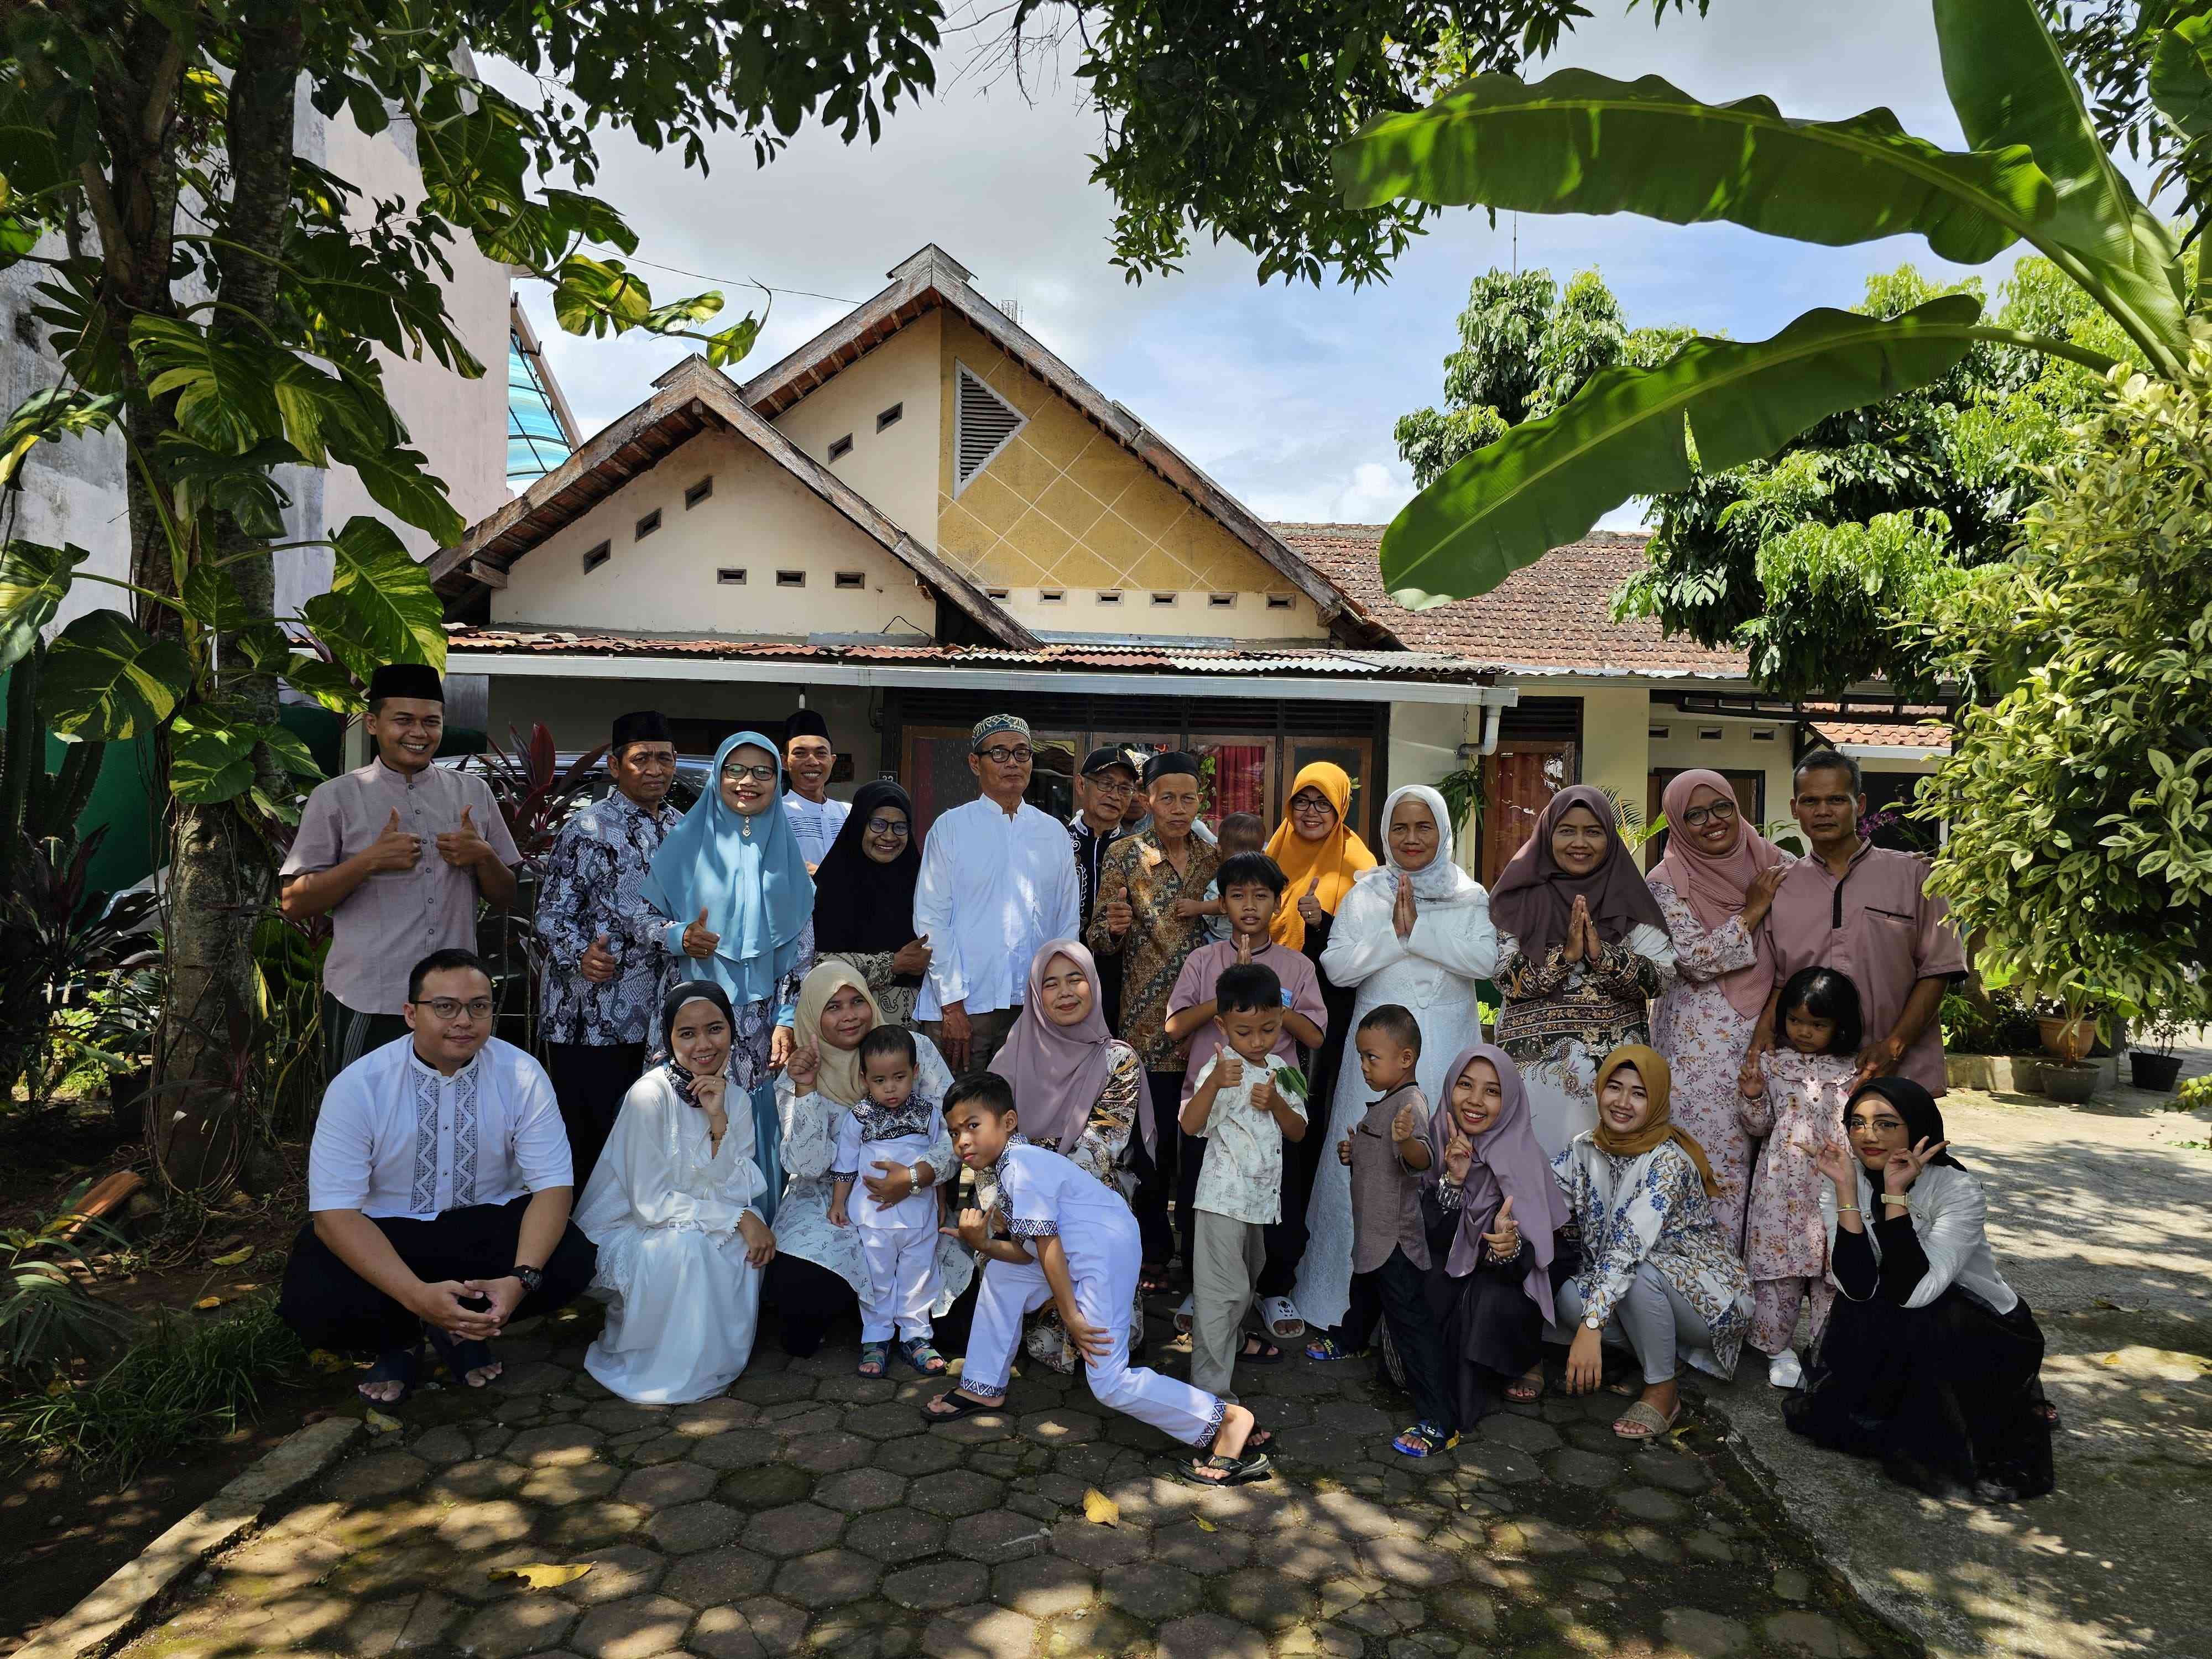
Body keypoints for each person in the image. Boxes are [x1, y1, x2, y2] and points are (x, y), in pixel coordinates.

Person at [922, 1074, 1272, 1486]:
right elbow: (1025, 1255)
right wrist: (980, 1242)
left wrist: (1071, 1316)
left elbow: (1049, 1248)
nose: (962, 1140)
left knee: (1109, 1382)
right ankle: (983, 1385)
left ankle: (1228, 1420)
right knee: (1003, 1274)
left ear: (1009, 1121)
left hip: (1103, 1255)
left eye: (973, 1125)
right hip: (1087, 1249)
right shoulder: (1012, 1169)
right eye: (954, 1131)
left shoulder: (1023, 1167)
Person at [278, 950, 594, 1404]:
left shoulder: (522, 1074)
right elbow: (334, 1215)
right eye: (445, 1007)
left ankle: (463, 1331)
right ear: (411, 1014)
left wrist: (520, 1281)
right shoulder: (358, 1086)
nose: (464, 1020)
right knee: (313, 1288)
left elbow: (553, 1187)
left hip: (485, 1227)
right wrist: (415, 1297)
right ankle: (400, 1338)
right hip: (390, 1235)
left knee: (570, 1257)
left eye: (479, 1006)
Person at [1787, 1078, 2054, 1500]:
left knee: (1921, 1312)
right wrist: (1844, 1191)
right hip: (1897, 1309)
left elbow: (1916, 1292)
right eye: (1856, 1123)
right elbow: (1855, 1287)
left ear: (1918, 1129)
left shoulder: (1958, 1190)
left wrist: (1895, 1194)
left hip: (1979, 1326)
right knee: (1863, 1307)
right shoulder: (1845, 1174)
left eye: (1886, 1124)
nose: (1868, 1135)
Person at [1295, 784, 1498, 1334]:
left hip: (1447, 1052)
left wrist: (1421, 931)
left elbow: (1486, 959)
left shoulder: (1469, 895)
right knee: (1364, 1170)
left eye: (1423, 827)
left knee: (1438, 1165)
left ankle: (1434, 1307)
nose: (1411, 839)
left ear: (1442, 833)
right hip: (1373, 1067)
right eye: (1400, 828)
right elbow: (1338, 969)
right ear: (1385, 833)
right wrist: (1396, 937)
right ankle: (1346, 1302)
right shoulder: (1366, 894)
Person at [280, 664, 520, 1074]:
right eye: (403, 720)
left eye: (431, 722)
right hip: (370, 996)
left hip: (454, 1004)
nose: (419, 733)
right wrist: (369, 861)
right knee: (364, 1123)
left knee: (454, 1116)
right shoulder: (336, 798)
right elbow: (293, 903)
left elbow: (506, 895)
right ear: (373, 724)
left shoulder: (472, 792)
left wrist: (483, 855)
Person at [572, 981, 777, 1403]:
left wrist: (718, 1121)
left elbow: (732, 1188)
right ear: (669, 1039)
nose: (704, 1044)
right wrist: (737, 1217)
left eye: (715, 1029)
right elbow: (649, 1205)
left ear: (732, 1032)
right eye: (687, 1033)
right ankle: (657, 1368)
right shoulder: (649, 1096)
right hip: (626, 1228)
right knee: (689, 1248)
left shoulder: (736, 1100)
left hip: (694, 1220)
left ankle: (711, 1364)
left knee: (735, 1248)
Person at [641, 731, 813, 1220]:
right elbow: (638, 919)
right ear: (717, 776)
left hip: (758, 1022)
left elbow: (802, 950)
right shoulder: (683, 840)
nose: (747, 782)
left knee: (749, 1119)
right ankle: (679, 1226)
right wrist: (678, 937)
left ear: (778, 781)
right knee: (684, 1107)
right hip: (689, 1013)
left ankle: (749, 1227)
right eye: (736, 769)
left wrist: (785, 1019)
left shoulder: (784, 849)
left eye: (763, 772)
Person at [771, 962, 972, 1361]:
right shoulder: (797, 1073)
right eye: (833, 1007)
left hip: (915, 1195)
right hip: (830, 1201)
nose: (849, 1016)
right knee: (798, 1308)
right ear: (812, 1012)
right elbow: (807, 1165)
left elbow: (955, 1131)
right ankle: (867, 1312)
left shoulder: (915, 1051)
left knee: (959, 1326)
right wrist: (807, 1089)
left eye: (857, 1001)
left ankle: (898, 1318)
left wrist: (918, 1177)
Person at [1164, 851, 1327, 1340]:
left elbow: (1316, 1036)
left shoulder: (1297, 966)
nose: (1249, 906)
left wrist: (1268, 996)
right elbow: (1174, 1027)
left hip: (1273, 1104)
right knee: (1203, 1195)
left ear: (1279, 904)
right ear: (1223, 903)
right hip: (1212, 1104)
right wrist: (1229, 995)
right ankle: (1204, 1286)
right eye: (1237, 896)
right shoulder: (1202, 960)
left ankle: (1274, 1288)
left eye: (1261, 896)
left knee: (1279, 1194)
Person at [1553, 1046, 1754, 1439]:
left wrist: (1592, 1328)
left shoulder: (1669, 1163)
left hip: (1706, 1300)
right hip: (1636, 1287)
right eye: (1615, 1087)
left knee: (1638, 1271)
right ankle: (1659, 1358)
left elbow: (1629, 1247)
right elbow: (1543, 1202)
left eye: (1639, 1093)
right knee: (1569, 1299)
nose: (1623, 1103)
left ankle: (1663, 1389)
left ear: (1658, 1101)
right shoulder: (1585, 1148)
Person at [1088, 752, 1222, 1286]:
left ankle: (1198, 1259)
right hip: (1146, 1029)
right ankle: (1150, 1250)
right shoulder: (1124, 855)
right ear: (1148, 799)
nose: (1177, 808)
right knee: (1149, 1147)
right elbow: (1098, 937)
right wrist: (1116, 927)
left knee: (1199, 1148)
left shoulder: (1215, 860)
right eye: (1167, 797)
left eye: (1188, 798)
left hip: (1208, 1029)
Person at [1761, 751, 1966, 1094]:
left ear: (1860, 804)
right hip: (1804, 1084)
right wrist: (1762, 1035)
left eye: (1837, 800)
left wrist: (1895, 1045)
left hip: (1898, 1075)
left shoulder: (1914, 876)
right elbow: (1780, 981)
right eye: (1811, 801)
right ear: (1795, 808)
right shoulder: (1780, 887)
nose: (1823, 811)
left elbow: (1938, 970)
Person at [536, 711, 685, 1179]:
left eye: (664, 758)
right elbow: (550, 913)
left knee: (647, 1138)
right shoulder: (586, 830)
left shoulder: (685, 830)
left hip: (662, 1017)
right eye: (642, 759)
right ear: (617, 767)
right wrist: (580, 955)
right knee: (589, 1140)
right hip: (590, 1016)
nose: (655, 769)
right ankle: (579, 1243)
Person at [1491, 785, 1676, 1160]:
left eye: (1593, 831)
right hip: (1533, 1077)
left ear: (1609, 837)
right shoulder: (1519, 895)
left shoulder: (1630, 897)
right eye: (1567, 831)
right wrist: (1565, 956)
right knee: (1531, 1179)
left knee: (1604, 1179)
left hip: (1612, 1084)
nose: (1580, 842)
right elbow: (1501, 975)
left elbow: (1663, 977)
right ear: (1548, 834)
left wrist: (1601, 955)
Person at [1646, 769, 1790, 1250]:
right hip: (1698, 1050)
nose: (1713, 821)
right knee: (1712, 1172)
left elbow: (1832, 897)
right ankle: (1712, 1297)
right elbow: (1695, 960)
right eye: (1695, 814)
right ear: (1677, 823)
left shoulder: (1777, 864)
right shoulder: (1666, 881)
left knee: (1772, 1169)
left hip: (1773, 1031)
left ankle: (1757, 1297)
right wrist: (1752, 910)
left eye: (1722, 807)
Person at [989, 940, 1146, 1372]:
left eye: (1075, 979)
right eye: (1051, 984)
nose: (1065, 993)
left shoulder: (1119, 1060)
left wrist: (1029, 1202)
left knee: (1105, 1341)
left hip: (1082, 1192)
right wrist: (999, 1200)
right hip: (1015, 1193)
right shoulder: (1010, 1058)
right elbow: (988, 1145)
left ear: (1093, 983)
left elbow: (1099, 1148)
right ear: (1037, 996)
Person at [1315, 1007, 1460, 1456]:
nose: (1364, 1066)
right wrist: (1354, 1149)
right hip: (1373, 1236)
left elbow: (1423, 1160)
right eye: (1361, 1057)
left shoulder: (1410, 1105)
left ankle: (1440, 1419)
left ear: (1406, 1058)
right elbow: (1376, 1153)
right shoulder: (1387, 1102)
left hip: (1396, 1240)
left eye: (1372, 1058)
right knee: (1365, 1290)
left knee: (1410, 1327)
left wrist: (1404, 1142)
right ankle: (1353, 1340)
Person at [1262, 763, 1377, 1319]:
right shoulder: (1274, 848)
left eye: (1321, 804)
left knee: (1305, 1119)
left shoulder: (1360, 864)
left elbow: (1365, 949)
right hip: (1265, 1010)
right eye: (1301, 801)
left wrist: (1323, 920)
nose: (1309, 813)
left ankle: (1295, 1252)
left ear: (1341, 809)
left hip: (1323, 1015)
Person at [913, 714, 1081, 1072]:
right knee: (956, 1118)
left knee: (1022, 1119)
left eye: (1022, 754)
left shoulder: (1053, 834)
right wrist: (951, 1005)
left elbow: (1066, 926)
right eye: (1000, 754)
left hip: (1031, 1010)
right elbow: (932, 922)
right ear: (976, 763)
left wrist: (1055, 1000)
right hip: (963, 1011)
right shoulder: (951, 829)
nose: (1013, 764)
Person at [1423, 1040, 1574, 1436]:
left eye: (1492, 1091)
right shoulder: (1436, 1136)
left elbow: (1548, 1255)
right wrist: (1453, 1181)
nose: (1475, 1101)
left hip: (1509, 1279)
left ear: (1509, 1101)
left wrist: (1512, 1247)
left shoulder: (1523, 1155)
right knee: (1427, 1285)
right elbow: (1429, 1238)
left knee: (1484, 1300)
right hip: (1454, 1267)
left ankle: (1459, 1412)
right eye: (1466, 1085)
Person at [1179, 963, 1308, 1397]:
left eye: (1269, 1029)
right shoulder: (1220, 1069)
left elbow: (1299, 1131)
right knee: (1222, 1294)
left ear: (1281, 1020)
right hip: (1220, 1201)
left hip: (1259, 1203)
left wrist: (1276, 1104)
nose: (1257, 1041)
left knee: (1247, 1281)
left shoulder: (1283, 1071)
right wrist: (1213, 1084)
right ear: (1222, 1025)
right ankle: (1211, 1399)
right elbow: (1191, 1126)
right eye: (1244, 1032)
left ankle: (1231, 1342)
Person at [1738, 967, 1861, 1388]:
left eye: (1818, 1024)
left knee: (1832, 1277)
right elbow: (1759, 1127)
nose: (1804, 1032)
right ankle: (1779, 1351)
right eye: (1796, 1021)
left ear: (1839, 1025)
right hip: (1780, 1193)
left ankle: (1826, 1352)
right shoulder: (1773, 1065)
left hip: (1830, 1191)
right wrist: (1753, 1095)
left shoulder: (1855, 1071)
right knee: (1779, 1277)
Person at [829, 1025, 948, 1377]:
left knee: (918, 1276)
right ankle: (876, 1338)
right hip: (873, 1218)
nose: (891, 1088)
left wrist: (942, 1202)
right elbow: (845, 1163)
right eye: (880, 1081)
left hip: (919, 1215)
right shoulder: (860, 1117)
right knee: (877, 1277)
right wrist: (839, 1202)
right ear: (865, 1079)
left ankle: (916, 1337)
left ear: (915, 1073)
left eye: (899, 1077)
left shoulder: (929, 1114)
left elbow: (940, 1158)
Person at [812, 780, 931, 1028]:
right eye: (878, 824)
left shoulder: (923, 887)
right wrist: (894, 964)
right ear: (858, 825)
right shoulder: (831, 885)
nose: (889, 836)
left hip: (905, 1032)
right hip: (840, 1024)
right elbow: (813, 962)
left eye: (900, 827)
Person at [780, 709, 848, 870]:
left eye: (821, 753)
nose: (812, 762)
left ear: (832, 761)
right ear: (784, 762)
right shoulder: (776, 813)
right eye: (800, 753)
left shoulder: (848, 813)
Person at [1194, 813, 1268, 945]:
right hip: (1216, 935)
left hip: (1229, 940)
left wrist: (1198, 907)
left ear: (1219, 849)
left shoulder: (1251, 880)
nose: (1240, 866)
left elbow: (1227, 904)